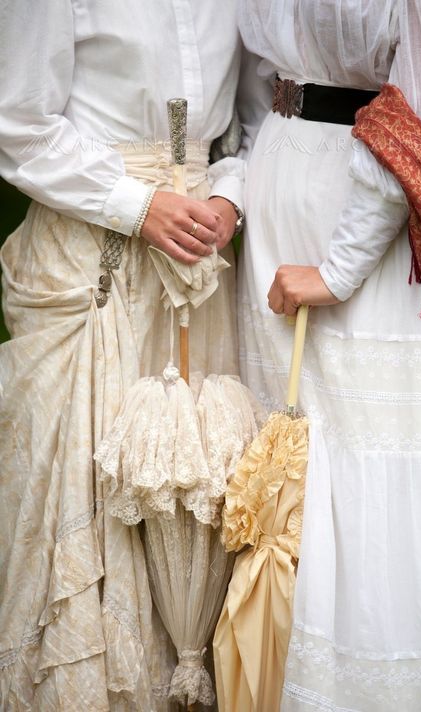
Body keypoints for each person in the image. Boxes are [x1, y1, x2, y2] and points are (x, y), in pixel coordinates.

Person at [0, 2, 260, 709]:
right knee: (88, 495)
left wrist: (229, 199)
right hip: (94, 264)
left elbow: (260, 117)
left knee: (189, 501)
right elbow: (16, 121)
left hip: (198, 271)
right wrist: (133, 204)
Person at [237, 1, 421, 709]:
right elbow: (253, 76)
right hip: (277, 196)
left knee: (370, 453)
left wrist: (342, 266)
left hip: (374, 204)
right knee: (282, 464)